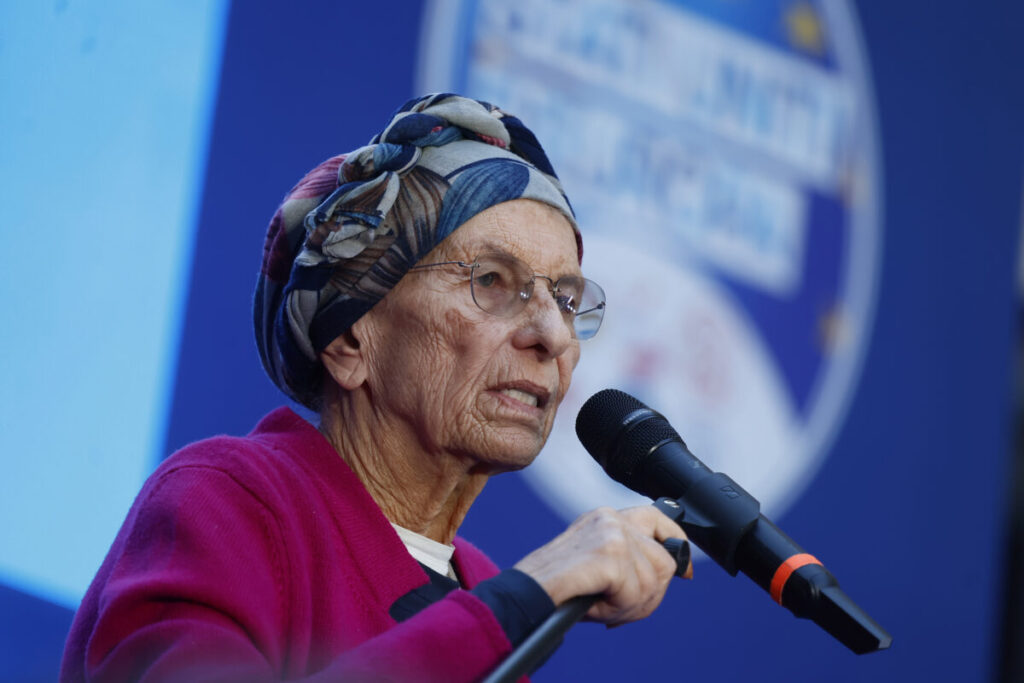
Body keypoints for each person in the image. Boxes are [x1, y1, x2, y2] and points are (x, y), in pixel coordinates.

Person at [61, 93, 691, 682]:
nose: (553, 335)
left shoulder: (484, 586)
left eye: (567, 299)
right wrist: (520, 601)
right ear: (349, 339)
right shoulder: (230, 500)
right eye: (492, 281)